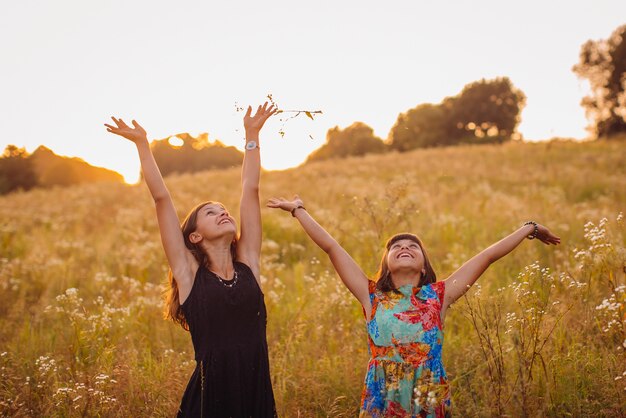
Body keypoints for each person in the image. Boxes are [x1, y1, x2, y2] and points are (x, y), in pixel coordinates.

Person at [267, 195, 560, 417]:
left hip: (428, 394)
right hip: (382, 396)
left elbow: (487, 256)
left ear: (423, 268)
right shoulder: (370, 294)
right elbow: (331, 246)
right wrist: (297, 209)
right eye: (396, 247)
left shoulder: (439, 295)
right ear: (386, 265)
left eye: (412, 246)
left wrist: (529, 228)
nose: (404, 248)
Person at [105, 103, 278, 418]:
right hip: (211, 396)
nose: (223, 212)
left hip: (255, 387)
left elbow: (249, 189)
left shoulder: (249, 261)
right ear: (195, 237)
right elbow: (161, 199)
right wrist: (143, 144)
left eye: (223, 209)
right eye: (210, 213)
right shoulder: (188, 273)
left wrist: (251, 136)